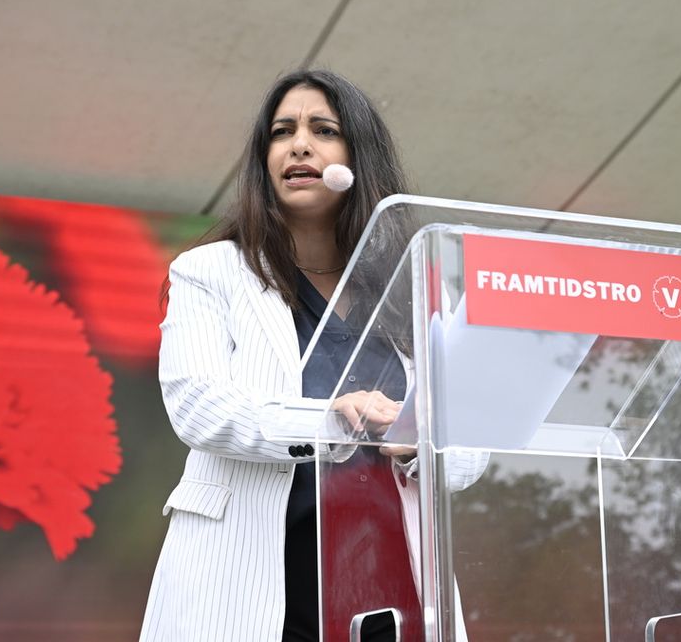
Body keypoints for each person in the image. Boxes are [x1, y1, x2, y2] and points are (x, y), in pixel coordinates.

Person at [139, 70, 484, 642]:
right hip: (252, 589)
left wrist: (415, 438)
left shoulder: (417, 287)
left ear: (359, 158)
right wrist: (332, 418)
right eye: (282, 132)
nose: (299, 144)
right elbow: (197, 407)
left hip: (391, 590)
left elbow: (470, 452)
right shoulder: (209, 271)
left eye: (323, 129)